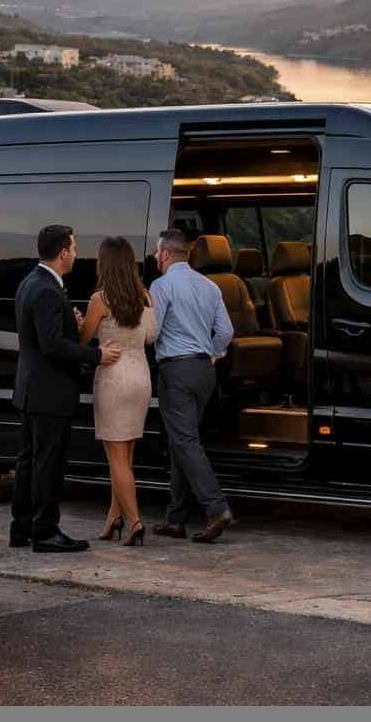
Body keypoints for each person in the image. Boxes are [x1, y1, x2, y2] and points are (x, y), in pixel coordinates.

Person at [9, 224, 121, 553]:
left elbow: (44, 332)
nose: (75, 253)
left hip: (31, 389)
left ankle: (22, 528)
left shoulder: (33, 281)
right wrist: (98, 355)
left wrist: (70, 321)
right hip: (49, 392)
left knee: (29, 462)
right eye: (73, 248)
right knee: (47, 464)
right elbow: (52, 346)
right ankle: (45, 531)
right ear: (62, 253)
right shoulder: (47, 289)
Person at [148, 229, 235, 543]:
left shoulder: (162, 285)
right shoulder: (210, 286)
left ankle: (216, 508)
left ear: (167, 255)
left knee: (185, 442)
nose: (156, 258)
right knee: (181, 442)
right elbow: (226, 331)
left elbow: (152, 330)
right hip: (204, 371)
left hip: (177, 371)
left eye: (158, 253)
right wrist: (212, 354)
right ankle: (176, 518)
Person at [77, 236, 157, 547]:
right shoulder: (145, 297)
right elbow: (151, 336)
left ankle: (135, 520)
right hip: (140, 376)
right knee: (126, 455)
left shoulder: (100, 299)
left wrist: (80, 323)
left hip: (113, 376)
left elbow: (83, 341)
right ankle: (114, 517)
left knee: (116, 457)